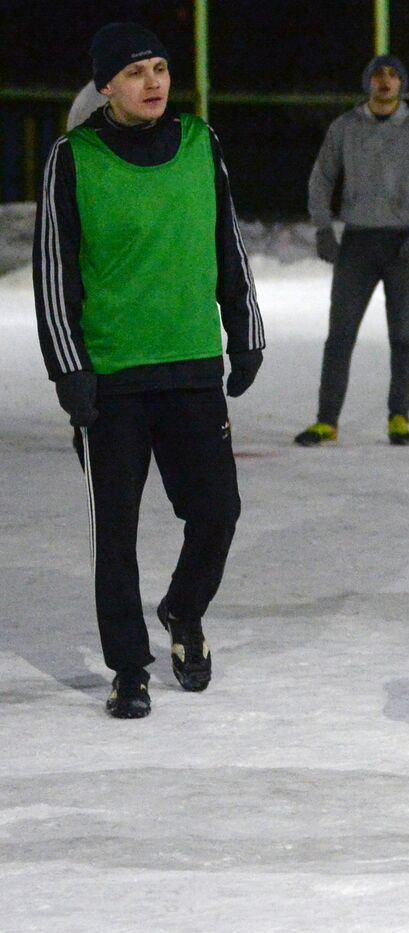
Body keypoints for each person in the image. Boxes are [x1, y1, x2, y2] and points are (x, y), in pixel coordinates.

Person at [33, 22, 265, 718]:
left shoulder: (202, 145)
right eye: (135, 72)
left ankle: (183, 611)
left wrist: (244, 329)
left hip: (192, 365)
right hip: (111, 378)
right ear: (106, 85)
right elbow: (54, 273)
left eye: (161, 67)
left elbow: (228, 240)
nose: (154, 81)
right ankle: (129, 665)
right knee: (117, 530)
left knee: (217, 512)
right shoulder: (72, 159)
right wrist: (69, 368)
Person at [295, 54, 409, 447]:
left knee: (403, 336)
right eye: (377, 74)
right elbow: (321, 177)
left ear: (402, 84)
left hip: (402, 244)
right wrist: (323, 227)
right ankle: (326, 422)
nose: (385, 81)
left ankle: (399, 418)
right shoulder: (346, 128)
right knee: (340, 335)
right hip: (358, 242)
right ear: (367, 83)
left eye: (392, 75)